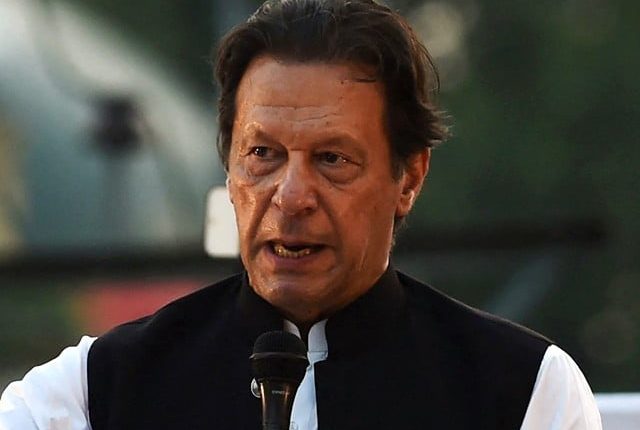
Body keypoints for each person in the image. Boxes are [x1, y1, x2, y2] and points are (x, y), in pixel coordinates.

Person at [0, 1, 602, 429]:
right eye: (263, 155)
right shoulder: (90, 393)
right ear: (229, 170)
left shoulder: (524, 390)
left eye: (332, 159)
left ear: (409, 178)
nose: (291, 196)